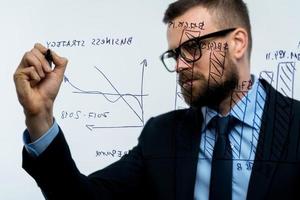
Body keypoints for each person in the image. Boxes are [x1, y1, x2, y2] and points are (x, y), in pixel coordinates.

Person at [14, 0, 300, 199]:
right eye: (175, 54)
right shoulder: (160, 135)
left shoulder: (295, 126)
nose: (179, 65)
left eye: (193, 48)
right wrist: (39, 118)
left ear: (237, 43)